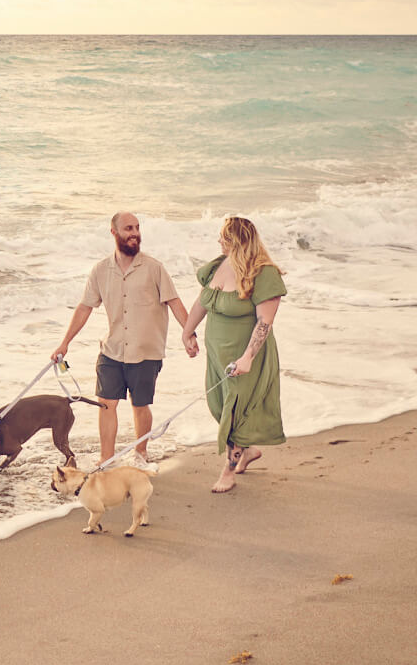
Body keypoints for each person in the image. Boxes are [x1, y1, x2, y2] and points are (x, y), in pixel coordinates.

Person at [51, 211, 193, 470]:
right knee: (106, 404)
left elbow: (174, 302)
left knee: (140, 406)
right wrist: (65, 343)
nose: (135, 233)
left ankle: (140, 453)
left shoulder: (154, 268)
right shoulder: (101, 270)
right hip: (112, 350)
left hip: (145, 351)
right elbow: (85, 308)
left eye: (137, 228)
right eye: (128, 228)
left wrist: (189, 334)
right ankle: (106, 459)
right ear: (114, 232)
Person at [181, 215, 286, 493]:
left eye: (224, 238)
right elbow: (203, 301)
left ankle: (228, 470)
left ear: (237, 241)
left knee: (235, 411)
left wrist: (248, 358)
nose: (219, 241)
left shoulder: (263, 273)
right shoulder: (219, 265)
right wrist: (187, 331)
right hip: (217, 354)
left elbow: (265, 322)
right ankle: (247, 451)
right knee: (218, 405)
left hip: (244, 356)